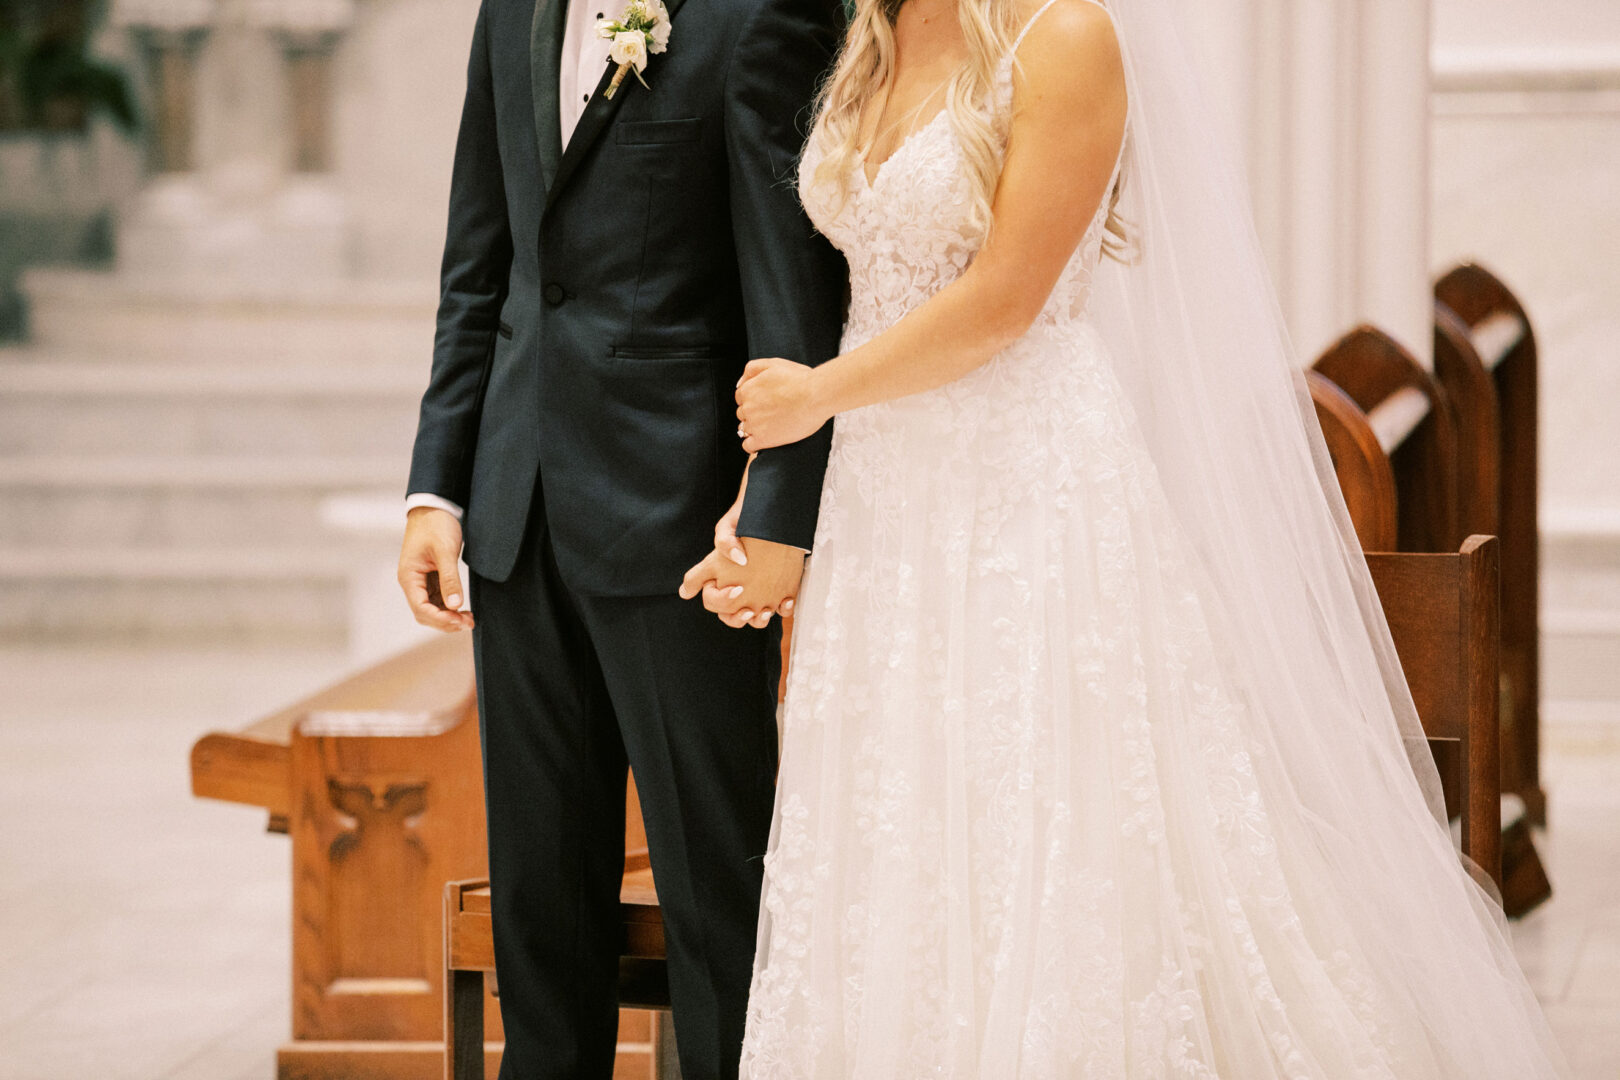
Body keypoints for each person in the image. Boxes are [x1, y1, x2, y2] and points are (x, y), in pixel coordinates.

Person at [694, 0, 1571, 1073]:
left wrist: (820, 397)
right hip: (889, 498)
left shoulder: (1067, 37)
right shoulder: (872, 35)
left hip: (1027, 493)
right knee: (902, 830)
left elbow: (1005, 300)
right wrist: (769, 495)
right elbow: (851, 298)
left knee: (1041, 819)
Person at [396, 0, 846, 1073]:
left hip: (681, 524)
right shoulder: (509, 15)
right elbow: (483, 266)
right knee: (541, 906)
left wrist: (779, 510)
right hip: (516, 512)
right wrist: (437, 491)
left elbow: (792, 289)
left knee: (714, 891)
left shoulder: (759, 17)